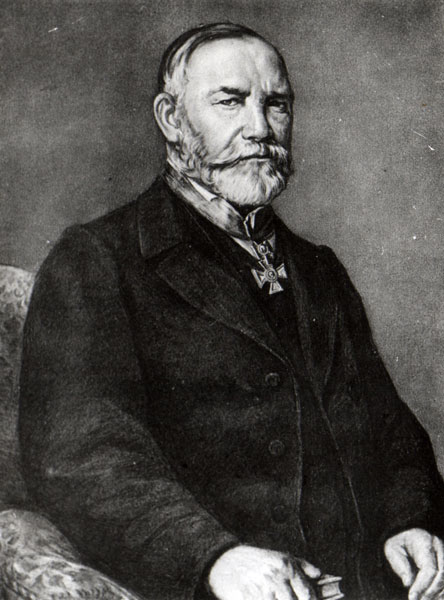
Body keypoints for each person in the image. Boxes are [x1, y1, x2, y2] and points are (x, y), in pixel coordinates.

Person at [18, 22, 444, 600]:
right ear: (171, 118)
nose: (260, 128)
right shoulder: (98, 259)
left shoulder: (319, 269)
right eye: (230, 102)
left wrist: (409, 521)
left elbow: (391, 432)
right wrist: (214, 558)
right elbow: (80, 459)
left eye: (276, 105)